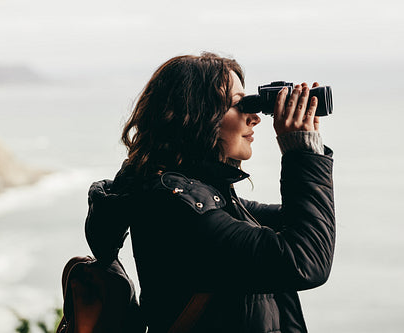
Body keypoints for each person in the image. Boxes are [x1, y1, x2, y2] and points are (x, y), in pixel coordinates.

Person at [85, 52, 335, 333]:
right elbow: (305, 261)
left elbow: (304, 225)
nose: (254, 117)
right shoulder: (178, 208)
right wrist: (300, 151)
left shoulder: (205, 198)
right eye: (239, 105)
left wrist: (308, 144)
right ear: (194, 115)